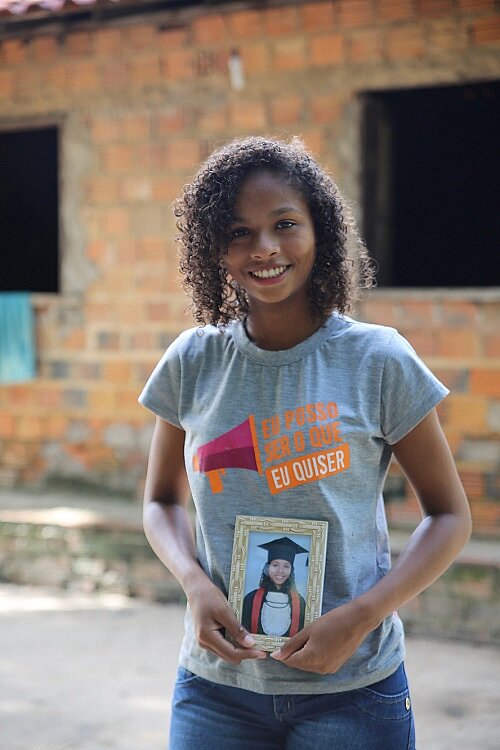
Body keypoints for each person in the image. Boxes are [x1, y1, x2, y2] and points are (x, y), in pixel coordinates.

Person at [139, 136, 471, 750]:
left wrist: (363, 615)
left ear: (322, 231)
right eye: (238, 232)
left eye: (284, 224)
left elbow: (450, 517)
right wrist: (193, 581)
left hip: (354, 690)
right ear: (213, 247)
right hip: (218, 689)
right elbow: (160, 500)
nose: (263, 249)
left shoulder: (378, 359)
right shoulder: (193, 359)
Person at [242, 537, 307, 637]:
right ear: (267, 568)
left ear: (291, 570)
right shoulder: (250, 599)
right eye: (275, 565)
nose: (280, 571)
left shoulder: (300, 602)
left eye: (286, 566)